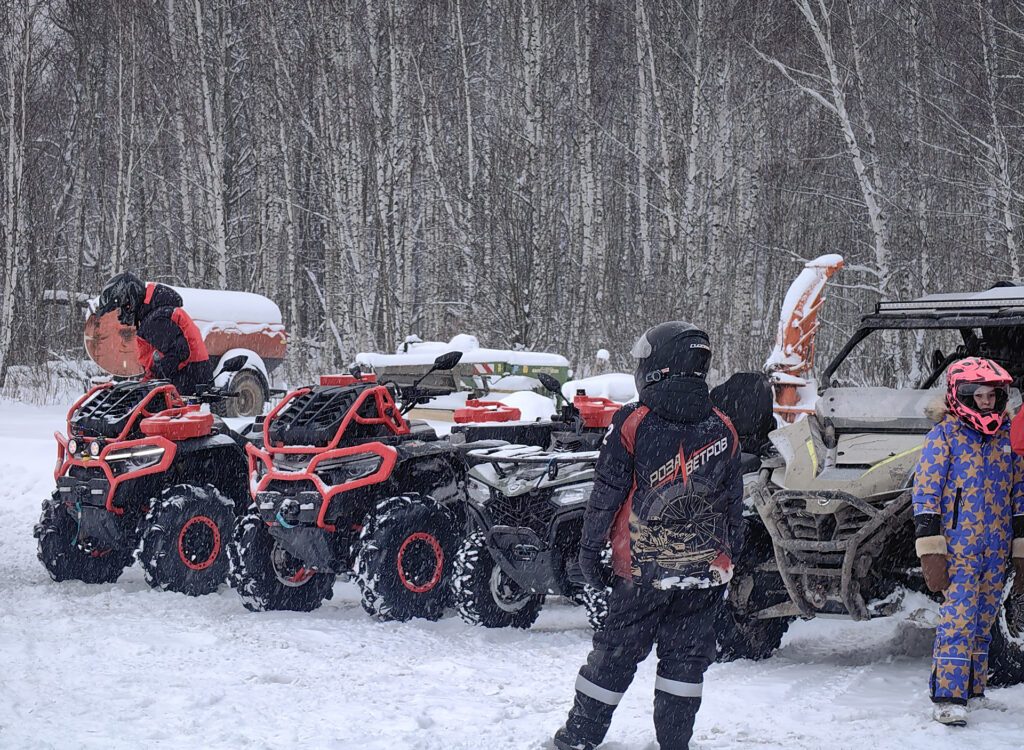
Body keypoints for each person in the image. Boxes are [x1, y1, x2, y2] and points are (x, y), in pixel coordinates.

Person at [553, 321, 743, 750]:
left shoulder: (633, 423)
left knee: (614, 656)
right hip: (703, 573)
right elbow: (735, 503)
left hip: (641, 572)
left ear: (659, 364)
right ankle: (675, 743)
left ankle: (578, 738)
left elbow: (605, 495)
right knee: (685, 663)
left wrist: (589, 549)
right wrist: (733, 554)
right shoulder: (723, 426)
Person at [913, 357, 1024, 727]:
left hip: (996, 546)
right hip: (958, 548)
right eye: (978, 395)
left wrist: (1021, 548)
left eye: (993, 395)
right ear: (960, 395)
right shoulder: (943, 436)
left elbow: (1019, 495)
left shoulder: (1007, 438)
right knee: (958, 621)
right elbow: (926, 494)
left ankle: (973, 690)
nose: (987, 402)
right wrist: (931, 550)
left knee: (983, 620)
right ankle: (948, 696)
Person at [95, 271, 213, 396]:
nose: (120, 317)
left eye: (119, 310)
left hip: (187, 383)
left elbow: (179, 353)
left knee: (132, 410)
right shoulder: (153, 315)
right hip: (189, 378)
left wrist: (155, 376)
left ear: (129, 301)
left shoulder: (155, 319)